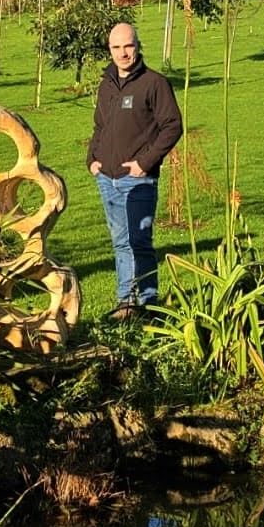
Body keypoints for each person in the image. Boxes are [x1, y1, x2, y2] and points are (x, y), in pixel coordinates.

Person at [87, 22, 182, 320]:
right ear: (110, 50)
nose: (123, 53)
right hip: (107, 177)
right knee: (120, 241)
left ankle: (149, 303)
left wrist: (144, 163)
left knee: (139, 241)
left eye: (128, 46)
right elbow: (100, 125)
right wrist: (92, 159)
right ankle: (126, 303)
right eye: (116, 47)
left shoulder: (154, 83)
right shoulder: (107, 83)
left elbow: (173, 126)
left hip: (138, 179)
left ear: (138, 46)